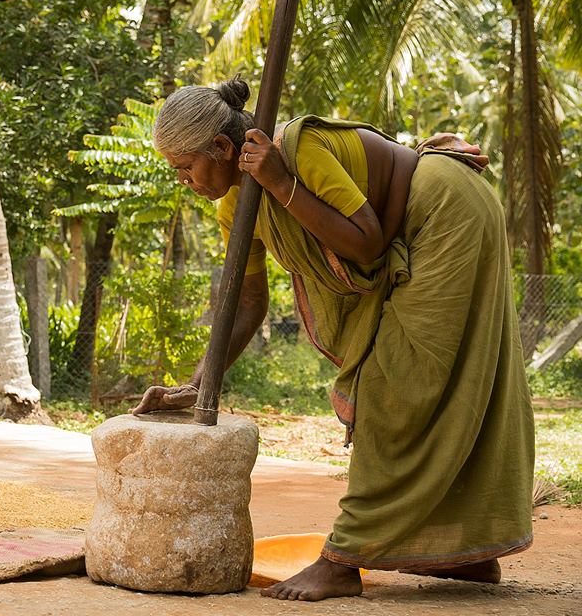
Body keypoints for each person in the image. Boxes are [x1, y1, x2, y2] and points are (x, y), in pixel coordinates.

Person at [131, 76, 535, 602]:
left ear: (223, 148)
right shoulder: (236, 208)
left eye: (186, 167)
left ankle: (343, 560)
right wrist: (199, 384)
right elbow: (247, 305)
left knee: (393, 385)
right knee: (434, 385)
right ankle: (466, 553)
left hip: (444, 211)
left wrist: (281, 182)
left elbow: (366, 244)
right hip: (414, 229)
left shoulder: (299, 148)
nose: (183, 179)